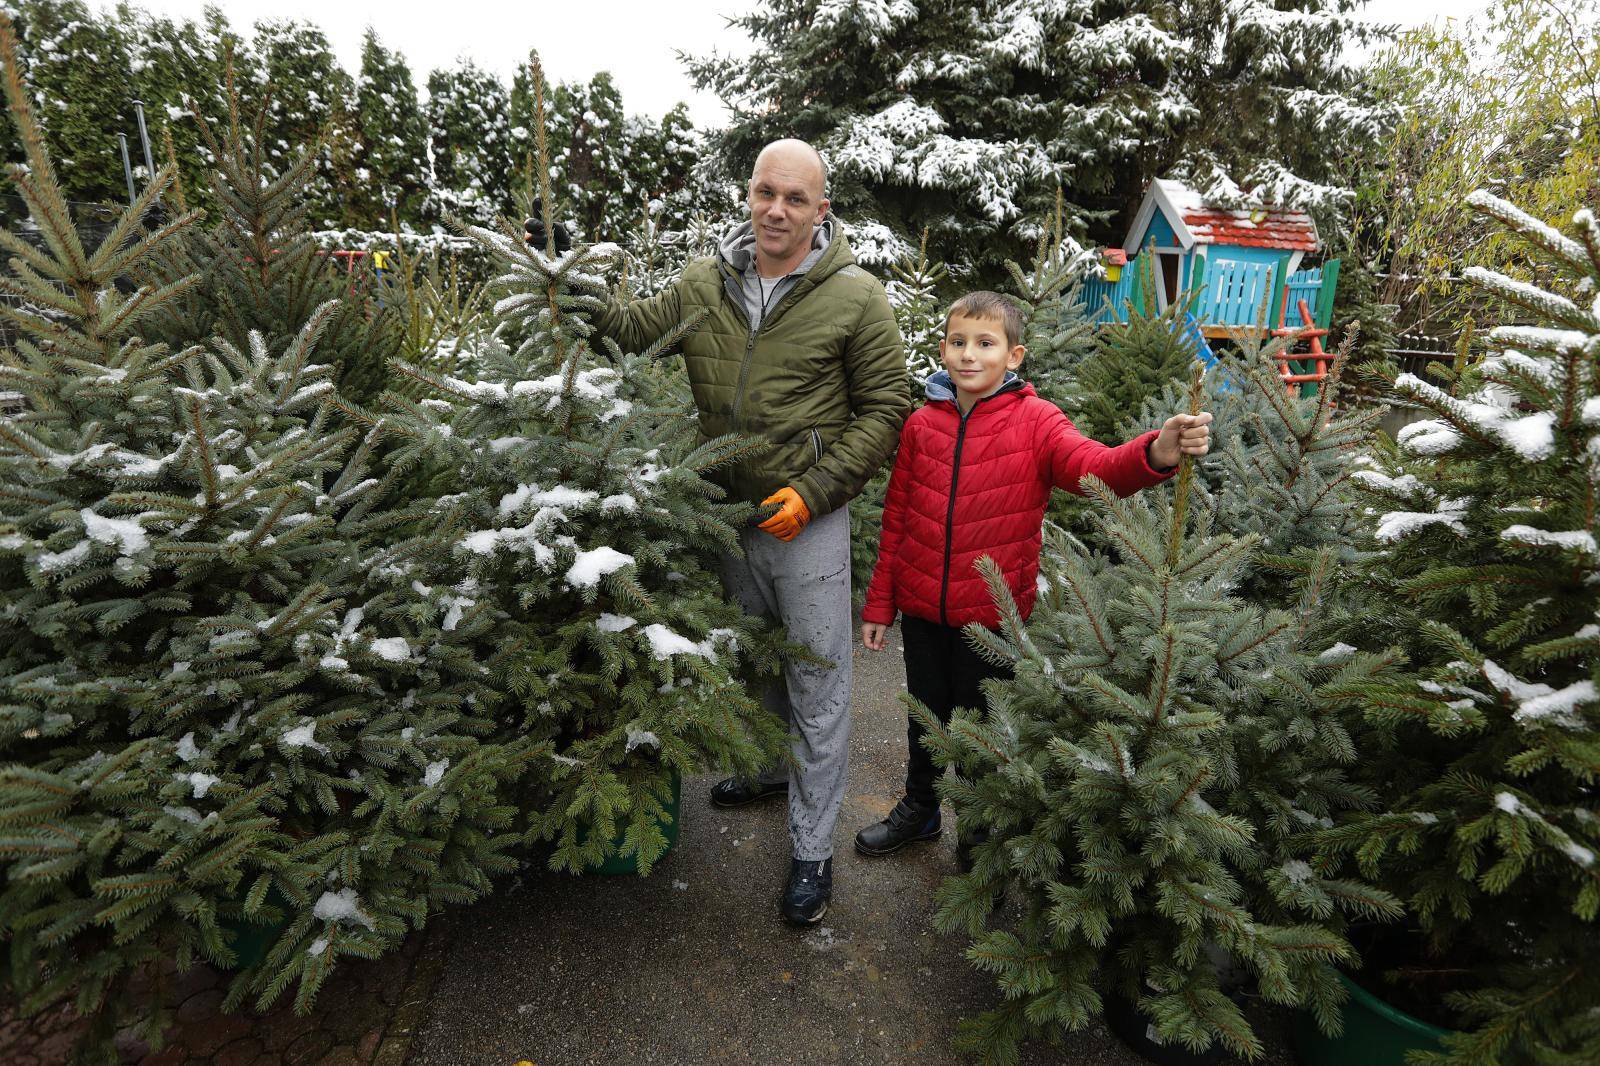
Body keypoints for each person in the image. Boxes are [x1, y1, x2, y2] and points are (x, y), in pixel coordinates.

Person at [533, 140, 910, 925]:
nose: (776, 210)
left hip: (806, 518)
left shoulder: (857, 297)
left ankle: (811, 851)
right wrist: (562, 275)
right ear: (749, 194)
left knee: (817, 681)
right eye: (765, 192)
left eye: (795, 199)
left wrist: (812, 494)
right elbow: (630, 331)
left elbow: (885, 410)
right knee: (756, 658)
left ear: (821, 210)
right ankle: (773, 774)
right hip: (724, 514)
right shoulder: (705, 281)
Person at [854, 291, 1212, 859]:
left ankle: (977, 828)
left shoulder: (1037, 422)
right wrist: (880, 605)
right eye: (957, 341)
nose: (968, 354)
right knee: (926, 715)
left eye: (985, 344)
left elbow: (1097, 468)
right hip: (922, 608)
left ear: (1014, 356)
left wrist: (1158, 452)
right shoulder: (922, 425)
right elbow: (897, 519)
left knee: (980, 726)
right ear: (944, 348)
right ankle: (920, 808)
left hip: (990, 618)